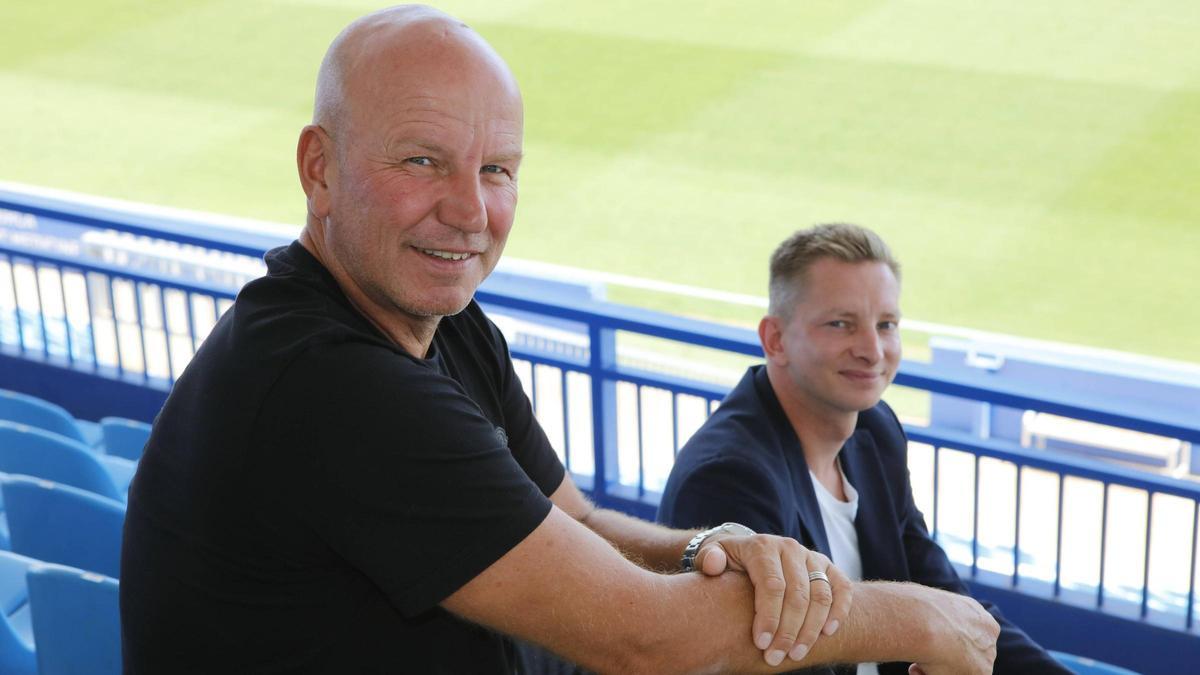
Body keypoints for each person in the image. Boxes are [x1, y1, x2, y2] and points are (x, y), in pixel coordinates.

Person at [120, 7, 1000, 674]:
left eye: (496, 169)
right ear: (320, 168)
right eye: (422, 160)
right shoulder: (330, 382)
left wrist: (703, 546)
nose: (470, 212)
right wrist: (919, 618)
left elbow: (571, 518)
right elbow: (644, 637)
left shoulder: (446, 321)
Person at [658, 224, 1069, 674]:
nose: (873, 351)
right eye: (841, 324)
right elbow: (769, 656)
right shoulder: (727, 477)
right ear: (775, 340)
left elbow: (942, 593)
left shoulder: (875, 428)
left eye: (886, 325)